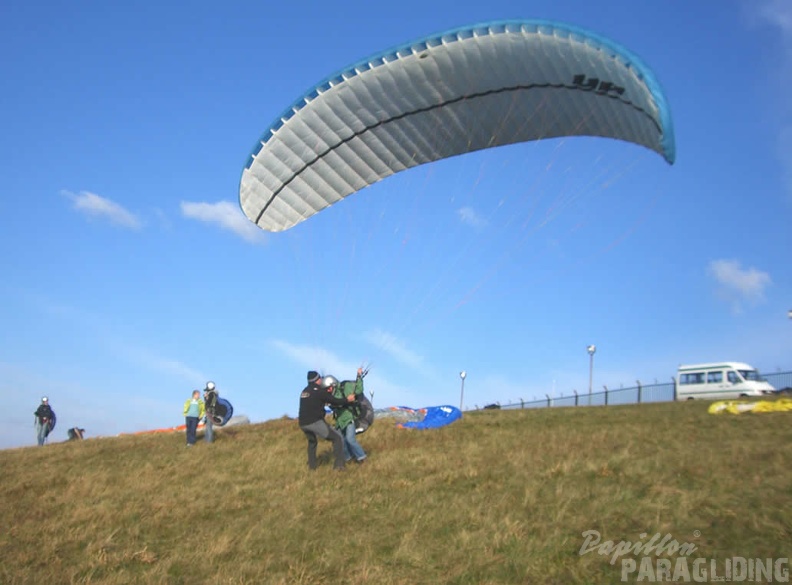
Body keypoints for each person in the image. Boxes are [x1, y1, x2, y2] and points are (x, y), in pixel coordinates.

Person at [298, 370, 356, 471]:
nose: (321, 380)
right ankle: (339, 466)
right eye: (320, 378)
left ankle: (312, 468)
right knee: (337, 438)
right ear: (317, 380)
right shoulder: (319, 391)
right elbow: (335, 401)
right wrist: (348, 399)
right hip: (315, 422)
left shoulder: (304, 391)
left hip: (303, 423)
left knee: (312, 443)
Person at [324, 367, 367, 464]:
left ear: (333, 385)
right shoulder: (329, 397)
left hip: (349, 417)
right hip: (339, 421)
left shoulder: (345, 387)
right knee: (340, 441)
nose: (328, 391)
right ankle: (349, 459)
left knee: (350, 439)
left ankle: (362, 458)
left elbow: (358, 389)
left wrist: (359, 376)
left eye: (328, 388)